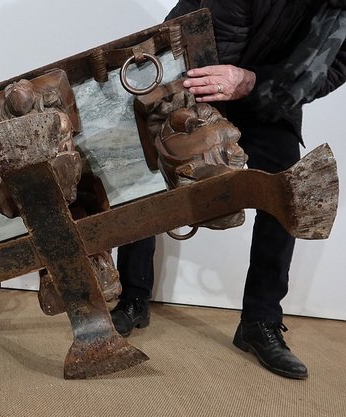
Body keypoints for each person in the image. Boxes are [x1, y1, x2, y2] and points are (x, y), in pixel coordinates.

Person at [111, 0, 346, 379]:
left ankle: (260, 322)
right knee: (153, 172)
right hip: (191, 74)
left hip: (264, 93)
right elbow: (211, 52)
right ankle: (133, 298)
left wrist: (253, 82)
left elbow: (325, 74)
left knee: (286, 188)